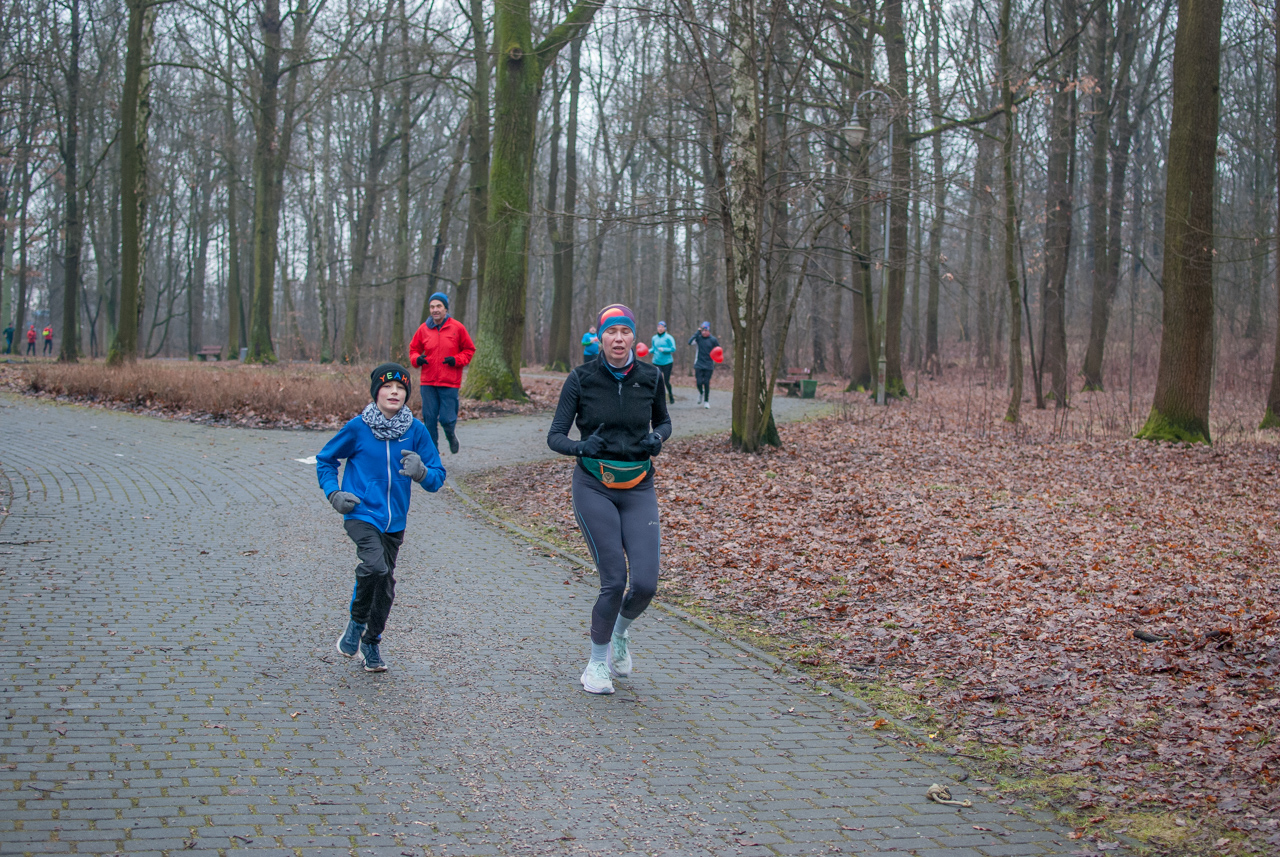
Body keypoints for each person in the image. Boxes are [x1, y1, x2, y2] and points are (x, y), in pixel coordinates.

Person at [548, 304, 672, 695]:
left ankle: (620, 633)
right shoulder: (580, 378)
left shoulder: (651, 376)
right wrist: (580, 446)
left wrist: (658, 438)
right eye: (611, 332)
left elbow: (663, 420)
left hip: (638, 485)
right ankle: (595, 665)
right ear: (600, 337)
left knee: (646, 584)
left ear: (634, 336)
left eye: (625, 331)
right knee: (614, 580)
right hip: (594, 485)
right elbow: (555, 436)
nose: (618, 339)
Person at [316, 363, 446, 673]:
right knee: (375, 566)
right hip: (360, 512)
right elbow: (325, 460)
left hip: (395, 521)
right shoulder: (358, 428)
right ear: (376, 392)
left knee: (385, 586)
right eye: (387, 387)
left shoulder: (416, 431)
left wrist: (422, 472)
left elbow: (437, 477)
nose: (394, 392)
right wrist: (334, 494)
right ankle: (356, 624)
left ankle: (371, 643)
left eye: (400, 388)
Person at [408, 292, 475, 455]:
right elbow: (413, 350)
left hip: (449, 381)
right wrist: (418, 359)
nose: (435, 310)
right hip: (428, 382)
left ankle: (451, 435)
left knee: (446, 419)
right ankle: (433, 455)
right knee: (429, 419)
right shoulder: (423, 329)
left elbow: (469, 350)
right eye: (432, 307)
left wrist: (456, 360)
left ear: (445, 309)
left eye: (438, 306)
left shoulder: (457, 328)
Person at [687, 321, 720, 408]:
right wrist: (697, 332)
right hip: (699, 363)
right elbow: (689, 342)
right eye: (703, 330)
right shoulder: (698, 338)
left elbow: (718, 350)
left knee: (706, 382)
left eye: (706, 330)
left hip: (709, 364)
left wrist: (717, 358)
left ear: (709, 330)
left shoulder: (713, 340)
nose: (704, 332)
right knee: (699, 382)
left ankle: (706, 401)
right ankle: (701, 393)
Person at [650, 321, 676, 404]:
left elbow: (673, 348)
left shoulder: (669, 337)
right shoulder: (654, 338)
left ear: (665, 328)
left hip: (667, 362)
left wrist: (664, 349)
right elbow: (653, 349)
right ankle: (658, 398)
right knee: (657, 380)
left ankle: (671, 396)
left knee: (666, 381)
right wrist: (647, 350)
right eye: (659, 327)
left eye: (662, 327)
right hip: (656, 362)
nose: (660, 329)